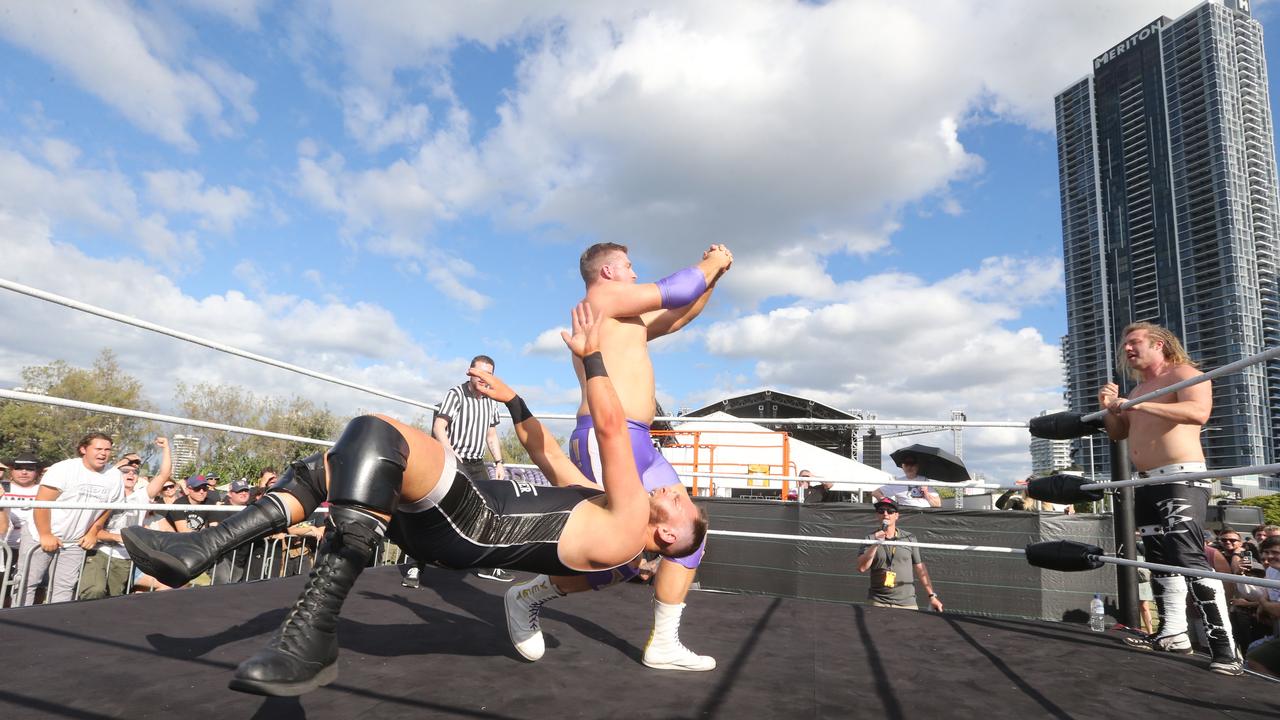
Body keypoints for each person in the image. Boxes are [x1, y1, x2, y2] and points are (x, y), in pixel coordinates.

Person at [121, 302, 707, 697]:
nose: (676, 492)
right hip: (458, 514)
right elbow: (548, 451)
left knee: (378, 432)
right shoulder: (601, 506)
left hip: (472, 525)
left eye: (683, 506)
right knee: (342, 460)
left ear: (665, 538)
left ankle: (312, 633)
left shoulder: (627, 530)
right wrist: (513, 399)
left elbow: (611, 428)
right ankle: (204, 545)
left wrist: (593, 357)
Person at [504, 241, 733, 672]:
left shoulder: (624, 317)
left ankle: (664, 643)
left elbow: (683, 313)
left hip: (642, 440)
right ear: (606, 272)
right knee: (620, 557)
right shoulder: (602, 298)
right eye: (628, 266)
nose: (634, 273)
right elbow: (678, 288)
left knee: (687, 533)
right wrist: (711, 261)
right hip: (607, 434)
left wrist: (715, 276)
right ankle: (528, 595)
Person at [1099, 321, 1240, 675]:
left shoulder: (1186, 373)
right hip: (1146, 481)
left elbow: (1197, 413)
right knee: (1160, 558)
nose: (1127, 350)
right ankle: (1173, 632)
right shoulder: (1138, 388)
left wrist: (1141, 404)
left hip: (1181, 477)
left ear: (1159, 344)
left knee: (1188, 556)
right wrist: (1109, 409)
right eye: (1125, 345)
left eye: (1134, 342)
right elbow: (1119, 434)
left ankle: (1225, 648)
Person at [411, 354, 511, 586]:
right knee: (434, 510)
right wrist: (450, 453)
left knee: (490, 508)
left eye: (489, 375)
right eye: (480, 373)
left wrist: (499, 462)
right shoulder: (455, 394)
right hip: (449, 459)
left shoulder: (490, 399)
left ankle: (487, 565)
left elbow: (491, 434)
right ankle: (416, 565)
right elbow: (439, 426)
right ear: (470, 372)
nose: (484, 379)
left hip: (476, 463)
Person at [20, 433, 124, 605]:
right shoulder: (64, 468)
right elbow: (42, 503)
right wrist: (45, 534)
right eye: (98, 448)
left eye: (107, 449)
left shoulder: (114, 475)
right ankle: (19, 625)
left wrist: (93, 532)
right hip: (38, 535)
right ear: (83, 449)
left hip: (74, 540)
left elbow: (108, 507)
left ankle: (56, 625)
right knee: (27, 583)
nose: (103, 453)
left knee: (64, 587)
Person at [79, 437, 172, 599]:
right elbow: (93, 531)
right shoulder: (104, 495)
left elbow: (164, 475)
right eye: (125, 471)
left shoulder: (141, 497)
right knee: (94, 591)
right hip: (100, 553)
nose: (131, 473)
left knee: (115, 599)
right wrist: (117, 537)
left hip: (125, 558)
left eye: (134, 472)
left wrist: (166, 448)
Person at [856, 497, 943, 611]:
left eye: (890, 511)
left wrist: (932, 596)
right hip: (878, 602)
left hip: (907, 603)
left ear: (897, 515)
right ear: (877, 515)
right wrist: (875, 544)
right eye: (881, 511)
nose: (885, 514)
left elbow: (920, 567)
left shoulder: (909, 538)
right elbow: (862, 568)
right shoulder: (869, 538)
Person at [872, 455, 940, 508]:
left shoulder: (925, 481)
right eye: (906, 464)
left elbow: (937, 504)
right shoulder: (897, 482)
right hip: (907, 516)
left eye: (912, 464)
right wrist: (888, 504)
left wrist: (926, 493)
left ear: (917, 466)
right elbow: (875, 492)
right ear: (903, 466)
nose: (909, 467)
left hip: (926, 514)